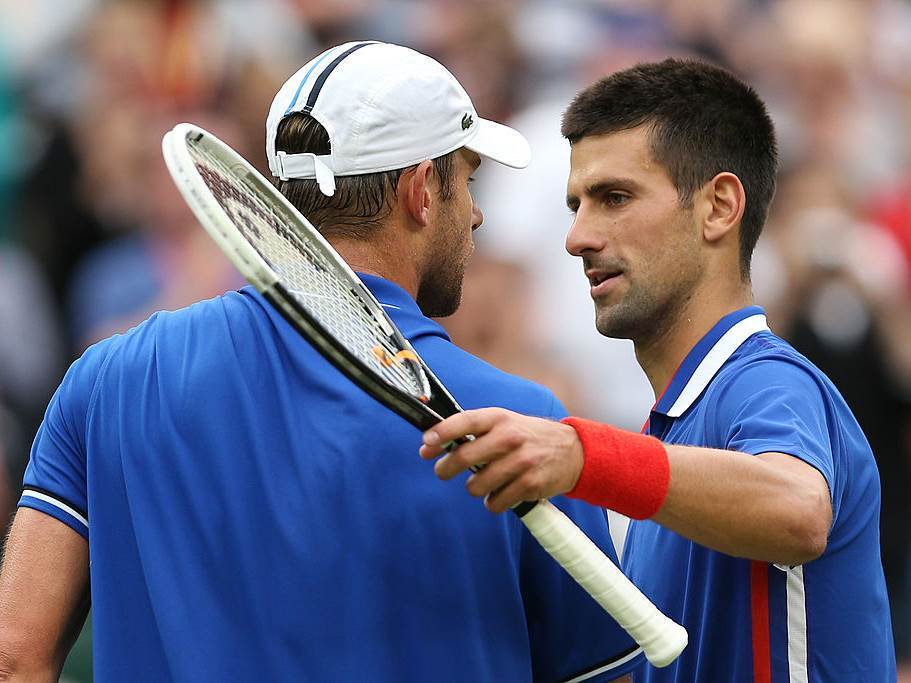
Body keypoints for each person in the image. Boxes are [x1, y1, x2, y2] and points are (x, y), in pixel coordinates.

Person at [0, 42, 643, 682]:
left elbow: (15, 656)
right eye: (466, 181)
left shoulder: (105, 380)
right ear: (421, 192)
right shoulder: (524, 427)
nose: (474, 215)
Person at [419, 58, 897, 681]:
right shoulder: (667, 447)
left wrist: (581, 456)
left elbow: (797, 509)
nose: (577, 237)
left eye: (615, 198)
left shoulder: (767, 381)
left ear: (720, 207)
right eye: (576, 206)